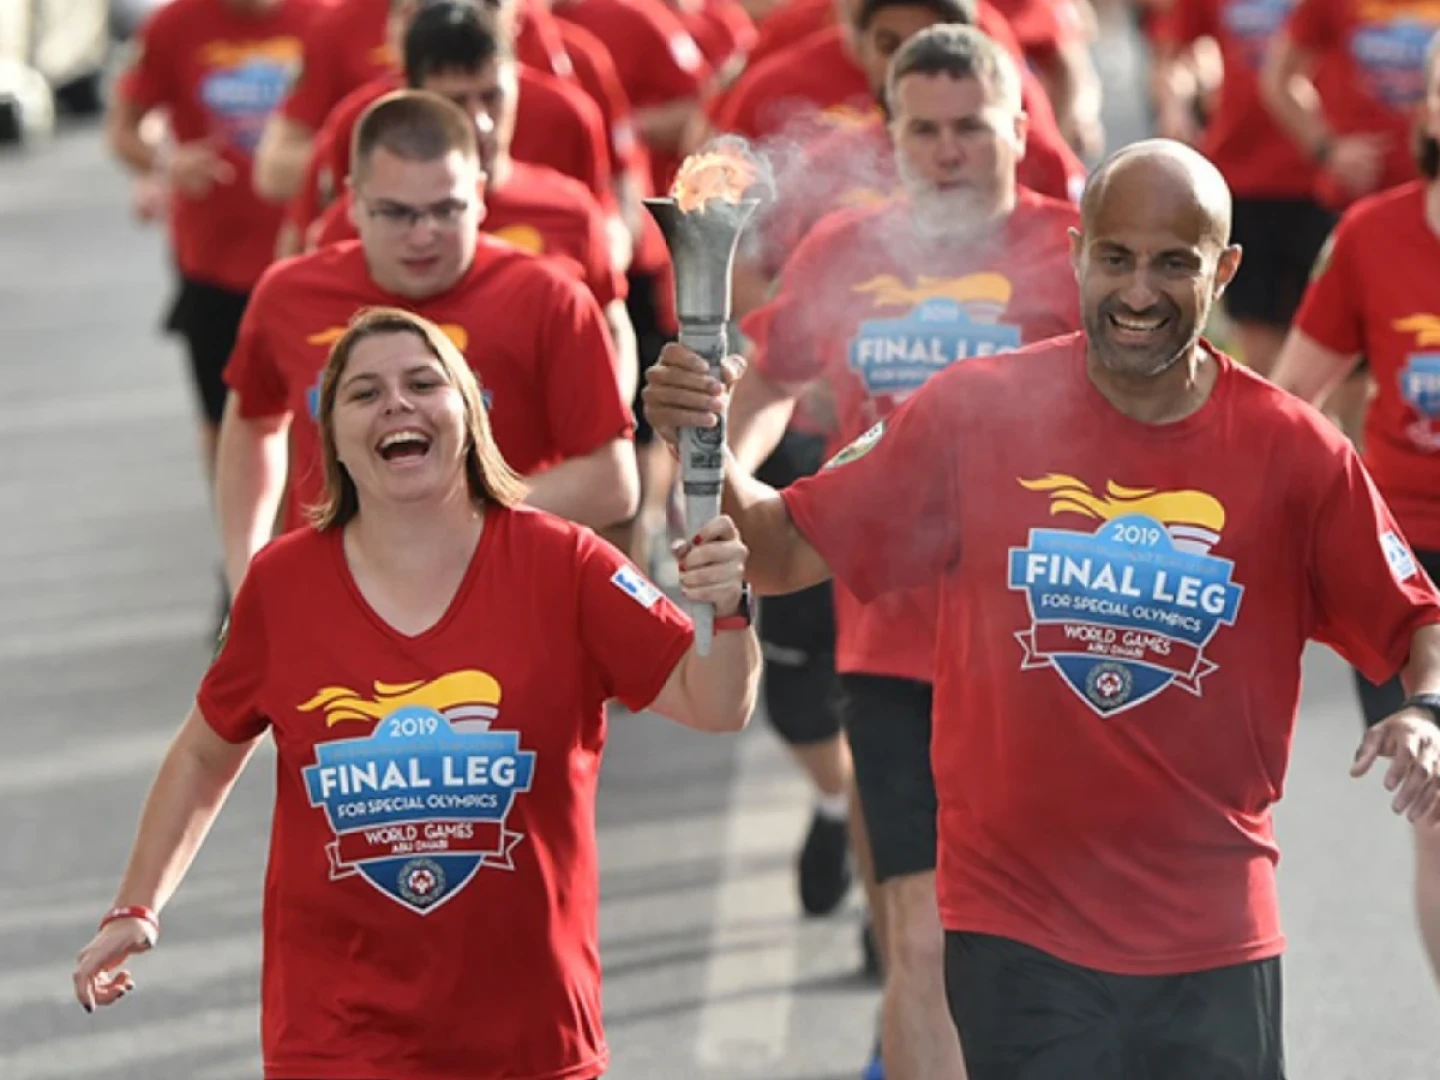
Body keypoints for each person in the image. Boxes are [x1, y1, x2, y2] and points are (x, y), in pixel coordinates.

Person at [643, 137, 1440, 1079]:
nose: (1138, 292)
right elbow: (779, 548)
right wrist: (702, 442)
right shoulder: (970, 413)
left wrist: (1426, 710)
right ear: (1077, 254)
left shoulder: (1295, 452)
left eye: (1173, 264)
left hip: (1212, 936)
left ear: (1223, 270)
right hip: (1018, 929)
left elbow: (1414, 620)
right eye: (1116, 257)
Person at [71, 305, 761, 1080]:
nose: (396, 403)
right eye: (364, 394)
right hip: (335, 1039)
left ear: (470, 413)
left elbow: (715, 703)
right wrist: (137, 904)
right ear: (332, 438)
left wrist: (730, 610)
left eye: (423, 383)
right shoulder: (281, 585)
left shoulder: (568, 565)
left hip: (530, 1037)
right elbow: (205, 752)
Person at [733, 25, 1081, 1079]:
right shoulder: (844, 250)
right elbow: (767, 380)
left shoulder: (1077, 251)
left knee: (1048, 937)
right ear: (890, 135)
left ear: (1019, 129)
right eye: (922, 131)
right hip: (891, 642)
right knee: (920, 937)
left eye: (971, 127)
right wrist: (727, 480)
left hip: (1051, 645)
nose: (947, 152)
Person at [215, 90, 638, 595]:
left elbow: (612, 483)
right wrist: (245, 567)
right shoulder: (289, 295)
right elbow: (253, 423)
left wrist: (458, 519)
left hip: (502, 596)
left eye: (445, 210)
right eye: (396, 213)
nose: (423, 235)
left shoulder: (550, 297)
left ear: (479, 194)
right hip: (331, 603)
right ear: (354, 202)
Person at [1270, 27, 1440, 988]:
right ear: (1430, 112)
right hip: (1410, 572)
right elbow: (1294, 400)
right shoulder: (1373, 237)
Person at [300, 2, 637, 379]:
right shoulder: (360, 175)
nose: (481, 122)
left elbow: (611, 329)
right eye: (455, 101)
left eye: (493, 97)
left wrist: (613, 408)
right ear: (413, 95)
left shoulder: (571, 206)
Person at [105, 0, 322, 479]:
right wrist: (165, 164)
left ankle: (306, 520)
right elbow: (121, 130)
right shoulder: (173, 25)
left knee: (314, 412)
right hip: (214, 262)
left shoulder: (326, 16)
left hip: (313, 258)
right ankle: (235, 523)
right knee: (225, 417)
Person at [1150, 0, 1334, 379]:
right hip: (1243, 174)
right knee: (1258, 333)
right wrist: (1175, 108)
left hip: (1325, 181)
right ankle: (1271, 415)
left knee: (1331, 340)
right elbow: (1174, 56)